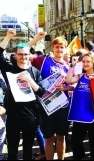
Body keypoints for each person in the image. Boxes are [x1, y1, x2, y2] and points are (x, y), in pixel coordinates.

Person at [0, 29, 46, 160]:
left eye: (25, 54)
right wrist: (7, 37)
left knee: (28, 149)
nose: (23, 57)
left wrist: (30, 81)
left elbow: (42, 92)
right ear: (16, 55)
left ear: (29, 55)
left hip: (31, 116)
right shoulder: (9, 70)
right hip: (13, 116)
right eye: (20, 54)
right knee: (12, 150)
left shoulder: (35, 71)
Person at [28, 32, 74, 160]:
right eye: (57, 46)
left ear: (65, 49)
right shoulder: (43, 60)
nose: (59, 49)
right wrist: (37, 38)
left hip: (63, 105)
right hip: (47, 106)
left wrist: (66, 87)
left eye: (62, 47)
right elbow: (24, 51)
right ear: (52, 48)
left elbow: (74, 85)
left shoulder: (68, 66)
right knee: (49, 138)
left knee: (61, 137)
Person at [66, 52, 94, 160]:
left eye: (88, 61)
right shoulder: (81, 75)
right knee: (75, 141)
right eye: (84, 61)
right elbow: (68, 80)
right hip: (79, 114)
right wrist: (72, 66)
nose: (85, 64)